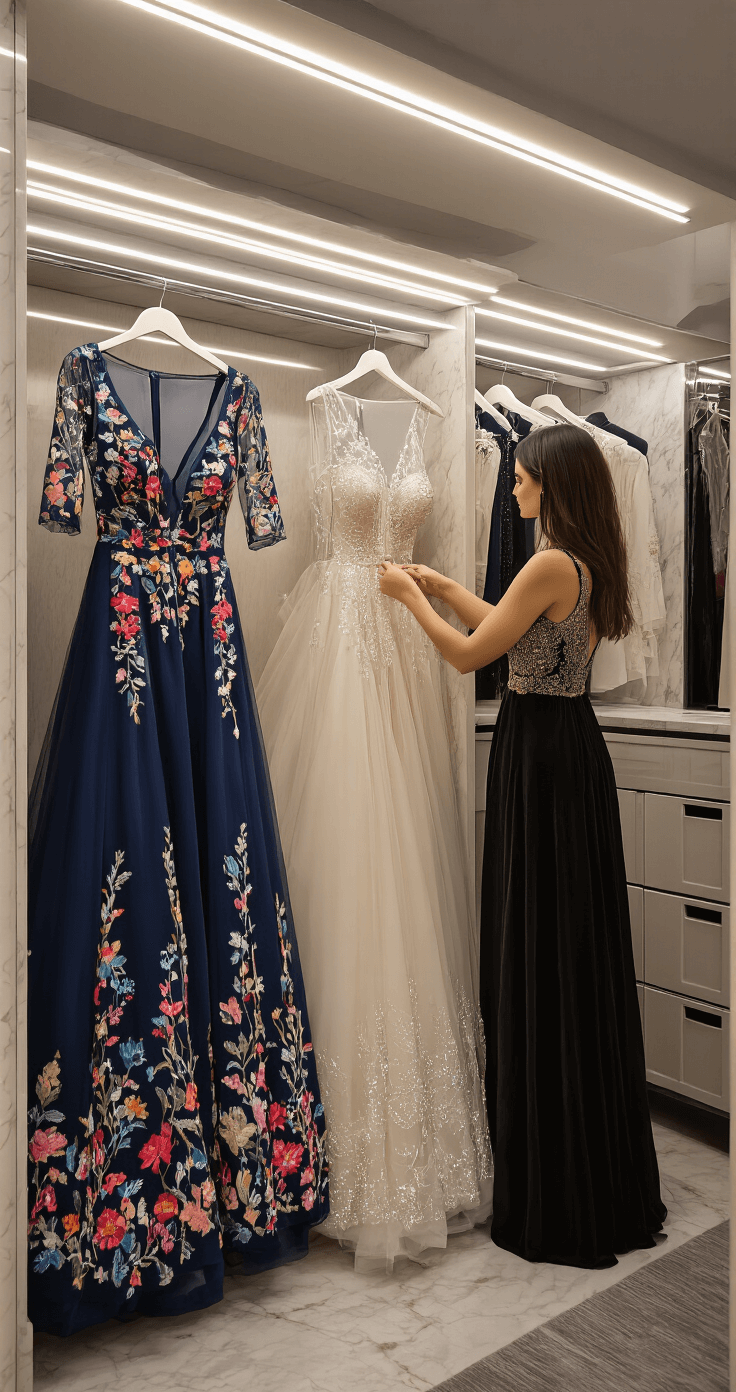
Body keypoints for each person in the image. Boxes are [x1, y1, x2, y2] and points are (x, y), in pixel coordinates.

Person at [378, 422, 666, 1269]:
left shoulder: (548, 563)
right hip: (569, 750)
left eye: (522, 477)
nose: (512, 489)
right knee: (569, 954)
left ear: (552, 482)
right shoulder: (579, 562)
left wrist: (409, 601)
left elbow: (474, 657)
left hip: (539, 759)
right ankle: (586, 1163)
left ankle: (555, 1182)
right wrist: (445, 584)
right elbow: (518, 637)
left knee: (542, 949)